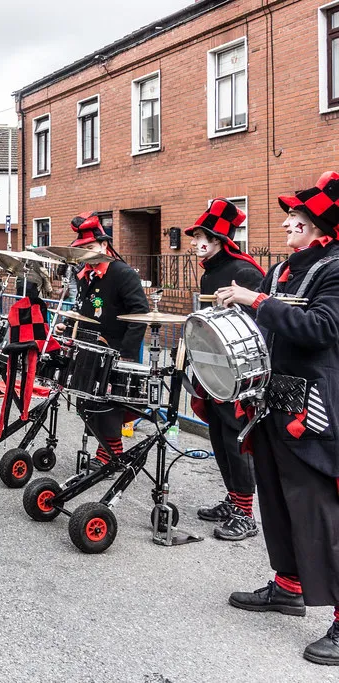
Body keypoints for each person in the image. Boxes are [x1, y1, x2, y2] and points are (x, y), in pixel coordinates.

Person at [216, 171, 339, 666]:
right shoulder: (286, 269)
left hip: (313, 404)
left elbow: (323, 328)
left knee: (318, 510)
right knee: (278, 499)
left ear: (321, 229)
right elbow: (262, 323)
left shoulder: (334, 267)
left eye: (298, 219)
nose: (288, 223)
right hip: (272, 397)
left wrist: (257, 301)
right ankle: (288, 587)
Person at [185, 198, 264, 542]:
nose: (193, 242)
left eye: (200, 236)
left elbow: (257, 327)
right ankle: (233, 499)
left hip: (239, 372)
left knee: (236, 438)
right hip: (212, 366)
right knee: (218, 434)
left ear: (217, 239)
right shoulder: (211, 271)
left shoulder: (245, 271)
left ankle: (246, 513)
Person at [55, 213, 148, 468]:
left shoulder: (122, 273)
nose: (87, 253)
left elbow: (139, 315)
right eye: (83, 249)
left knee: (107, 408)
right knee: (86, 404)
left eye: (91, 247)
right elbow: (86, 309)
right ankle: (107, 454)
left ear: (104, 246)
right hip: (88, 348)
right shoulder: (85, 274)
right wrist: (70, 326)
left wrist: (125, 357)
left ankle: (110, 456)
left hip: (113, 352)